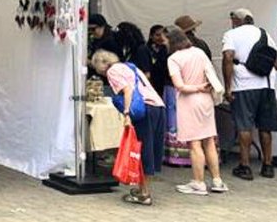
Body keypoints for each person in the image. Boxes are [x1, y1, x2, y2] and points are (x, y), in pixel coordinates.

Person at [91, 49, 166, 206]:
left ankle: (144, 193)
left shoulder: (113, 71)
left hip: (144, 109)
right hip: (157, 106)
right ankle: (143, 188)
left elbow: (127, 90)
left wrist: (126, 113)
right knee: (150, 149)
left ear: (101, 64)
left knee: (141, 149)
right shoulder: (130, 66)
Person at [166, 25, 227, 195]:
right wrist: (203, 87)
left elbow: (179, 85)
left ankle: (199, 182)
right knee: (209, 141)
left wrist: (197, 87)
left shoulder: (173, 59)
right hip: (206, 100)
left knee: (194, 144)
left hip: (189, 101)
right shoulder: (199, 52)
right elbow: (210, 73)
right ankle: (217, 180)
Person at [221, 6, 277, 181]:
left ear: (237, 20)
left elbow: (228, 58)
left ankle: (245, 166)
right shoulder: (265, 34)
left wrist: (228, 87)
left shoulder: (231, 34)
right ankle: (268, 165)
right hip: (267, 86)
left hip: (244, 86)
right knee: (265, 127)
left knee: (244, 126)